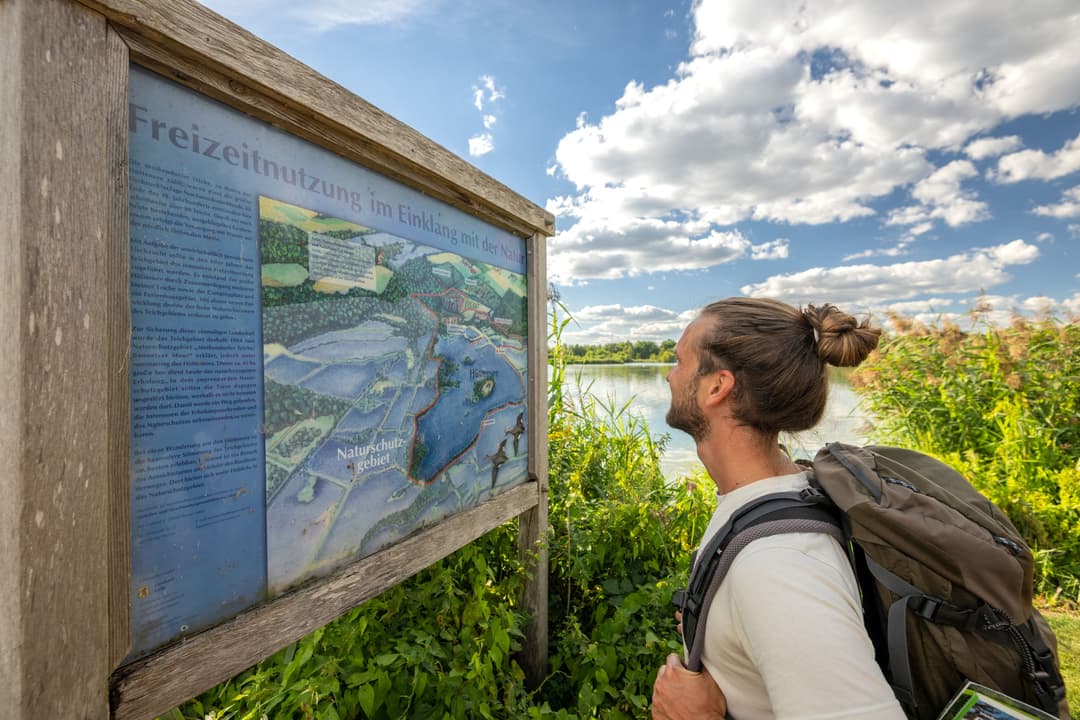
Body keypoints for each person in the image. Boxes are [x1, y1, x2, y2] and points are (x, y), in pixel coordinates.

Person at [651, 298, 906, 720]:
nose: (668, 374)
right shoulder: (773, 494)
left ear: (718, 386)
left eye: (679, 361)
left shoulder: (779, 566)